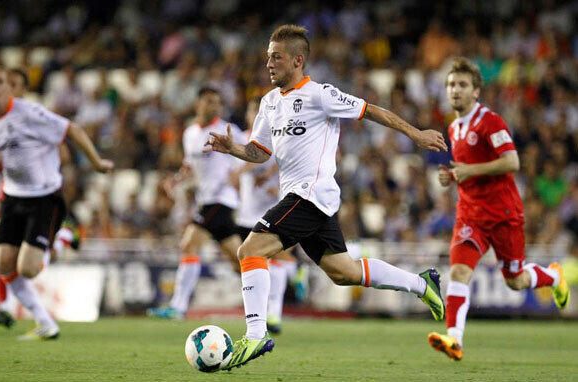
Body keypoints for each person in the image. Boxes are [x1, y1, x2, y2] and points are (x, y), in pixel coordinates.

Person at [204, 25, 448, 370]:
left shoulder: (320, 94)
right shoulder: (269, 102)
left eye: (277, 57)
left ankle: (256, 334)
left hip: (311, 194)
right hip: (304, 197)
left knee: (249, 250)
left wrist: (415, 133)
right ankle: (422, 284)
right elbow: (260, 153)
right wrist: (234, 149)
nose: (269, 63)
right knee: (342, 271)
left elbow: (372, 110)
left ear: (298, 60)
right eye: (267, 57)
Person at [427, 57, 570, 361]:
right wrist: (452, 175)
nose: (455, 90)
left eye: (463, 85)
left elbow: (512, 162)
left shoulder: (490, 121)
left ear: (476, 91)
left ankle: (554, 277)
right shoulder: (454, 128)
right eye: (451, 84)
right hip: (470, 215)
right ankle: (454, 339)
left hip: (503, 214)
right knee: (459, 271)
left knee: (515, 280)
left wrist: (469, 170)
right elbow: (468, 168)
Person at [0, 66, 113, 340]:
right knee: (4, 264)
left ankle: (62, 238)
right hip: (12, 197)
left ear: (8, 87)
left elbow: (72, 129)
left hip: (44, 198)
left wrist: (96, 162)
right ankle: (46, 322)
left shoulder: (30, 113)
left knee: (27, 268)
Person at [147, 86, 245, 320]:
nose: (214, 106)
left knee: (189, 244)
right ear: (198, 104)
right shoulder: (190, 133)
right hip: (205, 199)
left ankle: (178, 307)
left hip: (221, 199)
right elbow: (189, 165)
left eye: (217, 102)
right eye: (209, 101)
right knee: (238, 258)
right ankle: (278, 281)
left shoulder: (227, 130)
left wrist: (238, 174)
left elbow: (251, 153)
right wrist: (177, 179)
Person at [231, 97, 307, 335]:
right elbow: (233, 170)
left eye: (259, 110)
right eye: (252, 110)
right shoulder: (241, 139)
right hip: (246, 212)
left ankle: (273, 313)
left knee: (274, 258)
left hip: (271, 207)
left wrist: (274, 183)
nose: (255, 115)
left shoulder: (276, 135)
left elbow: (273, 159)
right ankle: (295, 271)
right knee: (249, 262)